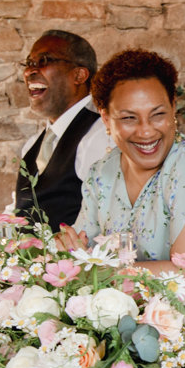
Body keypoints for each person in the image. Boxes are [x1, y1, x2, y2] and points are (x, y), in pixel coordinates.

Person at [56, 49, 185, 294]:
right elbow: (79, 250)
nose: (146, 132)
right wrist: (71, 253)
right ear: (105, 118)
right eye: (129, 118)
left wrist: (95, 271)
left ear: (173, 107)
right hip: (124, 319)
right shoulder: (101, 172)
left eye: (158, 115)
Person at [13, 30, 113, 227]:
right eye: (29, 63)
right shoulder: (33, 145)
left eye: (43, 61)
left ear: (78, 75)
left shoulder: (100, 135)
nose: (29, 72)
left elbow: (105, 219)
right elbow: (20, 210)